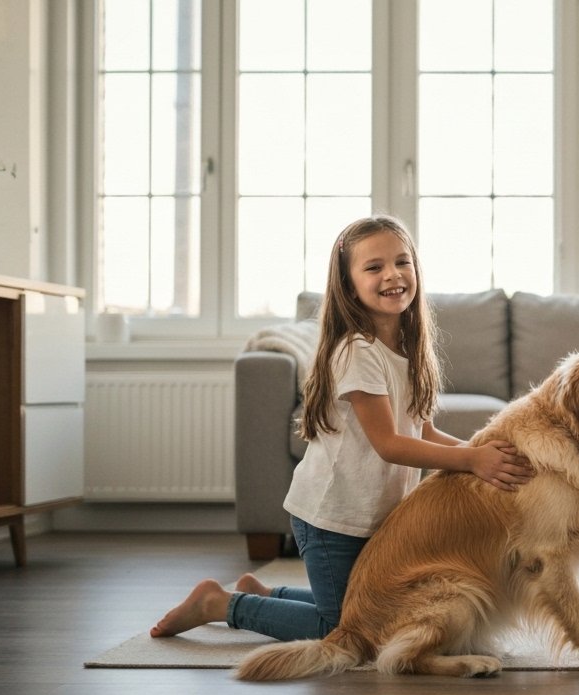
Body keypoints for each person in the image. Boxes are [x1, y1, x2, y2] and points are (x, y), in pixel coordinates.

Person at [151, 215, 533, 641]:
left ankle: (263, 591)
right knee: (344, 627)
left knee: (369, 603)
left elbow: (421, 431)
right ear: (349, 286)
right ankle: (219, 604)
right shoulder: (357, 351)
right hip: (332, 518)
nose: (392, 275)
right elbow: (390, 444)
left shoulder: (406, 349)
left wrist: (478, 453)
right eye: (374, 267)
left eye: (402, 262)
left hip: (375, 514)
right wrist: (470, 460)